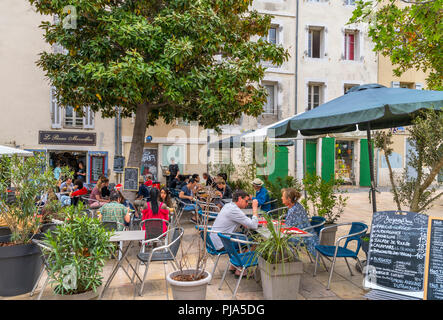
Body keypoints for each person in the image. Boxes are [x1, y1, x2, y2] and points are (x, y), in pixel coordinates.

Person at [209, 190, 259, 276]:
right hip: (221, 243)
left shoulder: (228, 206)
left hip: (215, 240)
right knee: (252, 241)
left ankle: (234, 266)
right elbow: (254, 225)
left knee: (242, 238)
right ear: (240, 199)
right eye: (246, 201)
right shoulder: (234, 210)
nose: (247, 204)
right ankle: (240, 269)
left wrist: (247, 222)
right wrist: (255, 209)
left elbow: (244, 223)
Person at [281, 188, 319, 256]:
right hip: (302, 233)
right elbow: (291, 223)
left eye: (283, 196)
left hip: (304, 236)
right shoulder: (295, 206)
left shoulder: (294, 210)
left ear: (289, 199)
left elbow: (288, 226)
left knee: (280, 240)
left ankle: (289, 260)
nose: (281, 198)